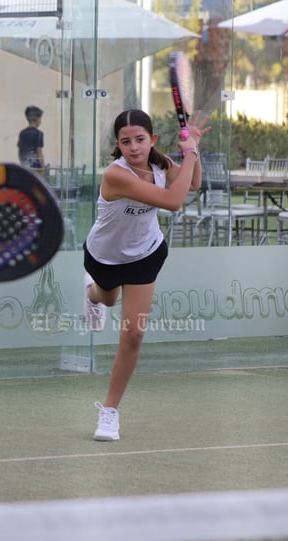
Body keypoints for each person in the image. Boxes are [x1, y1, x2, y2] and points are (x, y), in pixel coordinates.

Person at [84, 108, 210, 442]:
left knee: (133, 334)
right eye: (126, 142)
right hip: (105, 257)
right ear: (118, 145)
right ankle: (92, 294)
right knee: (106, 298)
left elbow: (193, 182)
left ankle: (109, 412)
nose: (134, 147)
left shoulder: (160, 164)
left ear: (151, 139)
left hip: (145, 253)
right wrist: (190, 151)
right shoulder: (116, 175)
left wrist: (191, 149)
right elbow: (173, 201)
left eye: (140, 139)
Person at [17, 105, 45, 174]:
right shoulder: (38, 133)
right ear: (37, 119)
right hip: (36, 167)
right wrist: (43, 168)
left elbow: (19, 149)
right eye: (40, 118)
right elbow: (39, 151)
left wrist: (22, 161)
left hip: (25, 166)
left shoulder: (22, 133)